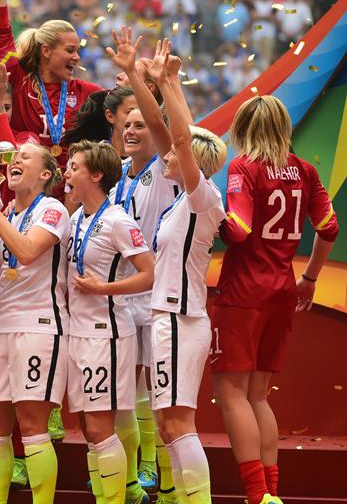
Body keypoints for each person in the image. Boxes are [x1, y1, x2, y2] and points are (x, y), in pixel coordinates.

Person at [212, 94, 338, 504]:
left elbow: (240, 229)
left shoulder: (244, 167)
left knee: (231, 394)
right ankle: (270, 495)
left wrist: (209, 214)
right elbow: (329, 227)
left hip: (243, 293)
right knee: (258, 396)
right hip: (283, 290)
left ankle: (256, 496)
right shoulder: (305, 170)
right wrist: (311, 277)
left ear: (244, 127)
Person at [0, 142, 70, 504]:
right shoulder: (5, 213)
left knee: (33, 426)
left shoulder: (52, 209)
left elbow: (26, 251)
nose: (15, 160)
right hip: (3, 327)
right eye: (14, 157)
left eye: (26, 157)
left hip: (40, 326)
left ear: (45, 174)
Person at [144, 39, 228, 504]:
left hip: (179, 317)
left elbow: (177, 137)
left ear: (194, 159)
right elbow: (171, 136)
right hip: (170, 315)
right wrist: (156, 82)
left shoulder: (202, 197)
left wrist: (171, 82)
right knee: (166, 423)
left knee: (178, 422)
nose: (168, 157)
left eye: (177, 154)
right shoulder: (183, 201)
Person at [105, 28, 183, 501]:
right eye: (126, 125)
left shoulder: (162, 168)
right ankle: (135, 479)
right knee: (124, 398)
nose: (134, 130)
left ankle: (167, 484)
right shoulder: (116, 181)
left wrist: (137, 75)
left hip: (157, 298)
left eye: (140, 125)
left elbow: (162, 126)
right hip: (123, 297)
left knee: (159, 399)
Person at [63, 140, 155, 504]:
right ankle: (111, 493)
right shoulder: (75, 218)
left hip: (109, 333)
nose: (66, 172)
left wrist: (105, 288)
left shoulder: (119, 220)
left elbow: (150, 273)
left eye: (74, 167)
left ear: (97, 175)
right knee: (89, 426)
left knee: (101, 426)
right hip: (79, 332)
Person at [0, 0, 103, 193]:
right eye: (70, 50)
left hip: (70, 199)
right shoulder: (19, 78)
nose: (77, 57)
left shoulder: (87, 93)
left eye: (78, 51)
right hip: (24, 194)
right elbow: (0, 28)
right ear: (46, 51)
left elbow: (125, 107)